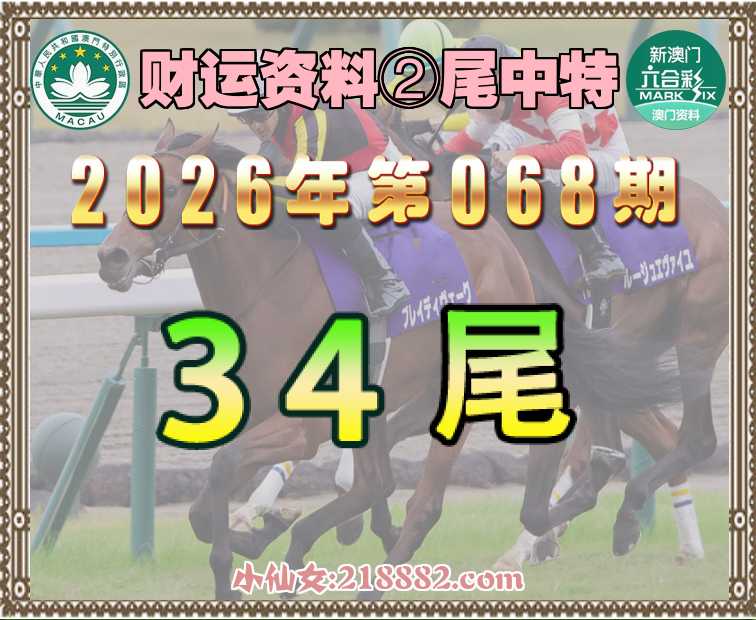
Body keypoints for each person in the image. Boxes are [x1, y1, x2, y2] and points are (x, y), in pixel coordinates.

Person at [395, 23, 627, 287]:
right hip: (569, 145)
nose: (476, 108)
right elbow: (462, 145)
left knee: (524, 174)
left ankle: (603, 255)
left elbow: (575, 152)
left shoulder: (546, 89)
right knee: (493, 170)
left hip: (606, 159)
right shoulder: (497, 98)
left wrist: (517, 155)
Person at [228, 103, 410, 318]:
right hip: (349, 170)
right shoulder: (278, 121)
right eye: (247, 119)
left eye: (260, 116)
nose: (256, 126)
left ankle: (386, 282)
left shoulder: (311, 118)